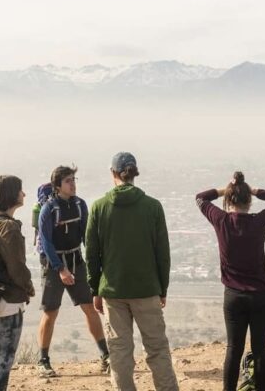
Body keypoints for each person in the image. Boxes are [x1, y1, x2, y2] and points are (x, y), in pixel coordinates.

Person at [85, 152, 178, 391]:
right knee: (157, 349)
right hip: (147, 290)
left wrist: (95, 289)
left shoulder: (98, 207)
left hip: (113, 292)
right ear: (134, 173)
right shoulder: (153, 207)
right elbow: (162, 254)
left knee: (119, 353)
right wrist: (162, 288)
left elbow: (91, 255)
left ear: (113, 173)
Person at [196, 171, 265, 391]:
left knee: (233, 350)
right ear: (250, 200)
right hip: (261, 295)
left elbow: (200, 198)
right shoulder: (259, 222)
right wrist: (253, 189)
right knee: (260, 349)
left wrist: (223, 190)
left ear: (229, 200)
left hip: (234, 296)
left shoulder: (221, 220)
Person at [36, 165, 109, 377]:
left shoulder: (80, 205)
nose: (73, 184)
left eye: (74, 179)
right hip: (54, 265)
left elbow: (87, 236)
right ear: (57, 186)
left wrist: (96, 264)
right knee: (51, 312)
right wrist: (60, 269)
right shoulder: (48, 209)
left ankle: (105, 355)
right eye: (68, 181)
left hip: (76, 261)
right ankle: (43, 360)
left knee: (89, 307)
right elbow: (47, 242)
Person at [0, 175, 35, 390]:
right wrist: (28, 288)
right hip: (8, 300)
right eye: (20, 190)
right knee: (4, 359)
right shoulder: (9, 227)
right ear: (12, 195)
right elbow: (17, 268)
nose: (24, 194)